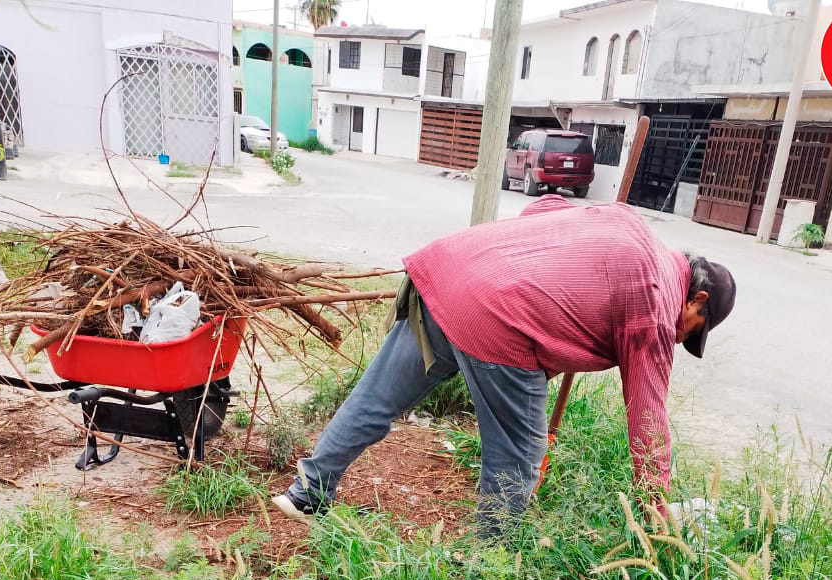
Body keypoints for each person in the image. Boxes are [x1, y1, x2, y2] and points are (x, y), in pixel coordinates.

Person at [273, 194, 736, 535]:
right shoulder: (657, 305)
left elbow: (541, 210)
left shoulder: (627, 221)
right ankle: (488, 575)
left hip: (452, 269)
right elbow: (648, 423)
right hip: (500, 319)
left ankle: (307, 493)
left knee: (376, 399)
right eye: (691, 332)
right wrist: (655, 514)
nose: (679, 340)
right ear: (696, 298)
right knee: (517, 460)